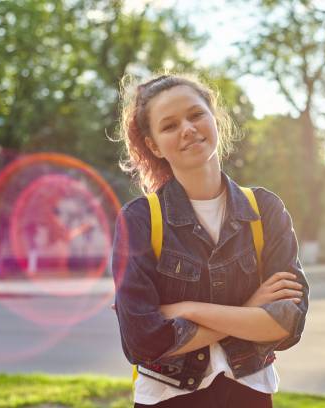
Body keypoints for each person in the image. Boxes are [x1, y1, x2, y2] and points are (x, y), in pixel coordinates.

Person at [111, 73, 310, 407]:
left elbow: (288, 322)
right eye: (170, 125)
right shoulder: (139, 220)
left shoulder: (265, 209)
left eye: (195, 115)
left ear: (214, 118)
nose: (187, 129)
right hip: (167, 398)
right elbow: (141, 341)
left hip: (250, 394)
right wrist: (248, 312)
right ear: (154, 145)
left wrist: (188, 309)